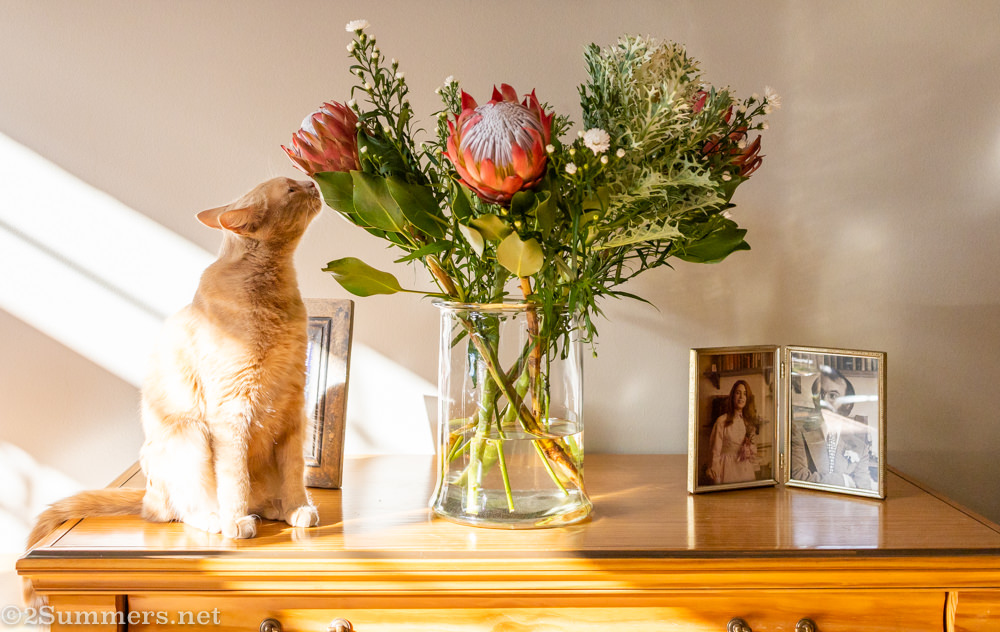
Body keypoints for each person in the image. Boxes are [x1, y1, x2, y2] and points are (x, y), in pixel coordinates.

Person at [790, 366, 875, 490]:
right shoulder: (798, 430)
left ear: (847, 404)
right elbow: (798, 476)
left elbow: (864, 488)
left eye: (833, 396)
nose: (823, 401)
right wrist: (843, 480)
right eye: (820, 394)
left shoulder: (860, 446)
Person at [705, 380, 759, 484]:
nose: (741, 397)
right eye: (738, 393)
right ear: (733, 396)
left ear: (747, 399)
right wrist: (716, 472)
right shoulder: (722, 421)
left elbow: (753, 448)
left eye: (744, 394)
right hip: (727, 468)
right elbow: (715, 451)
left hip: (744, 469)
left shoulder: (748, 423)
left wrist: (749, 450)